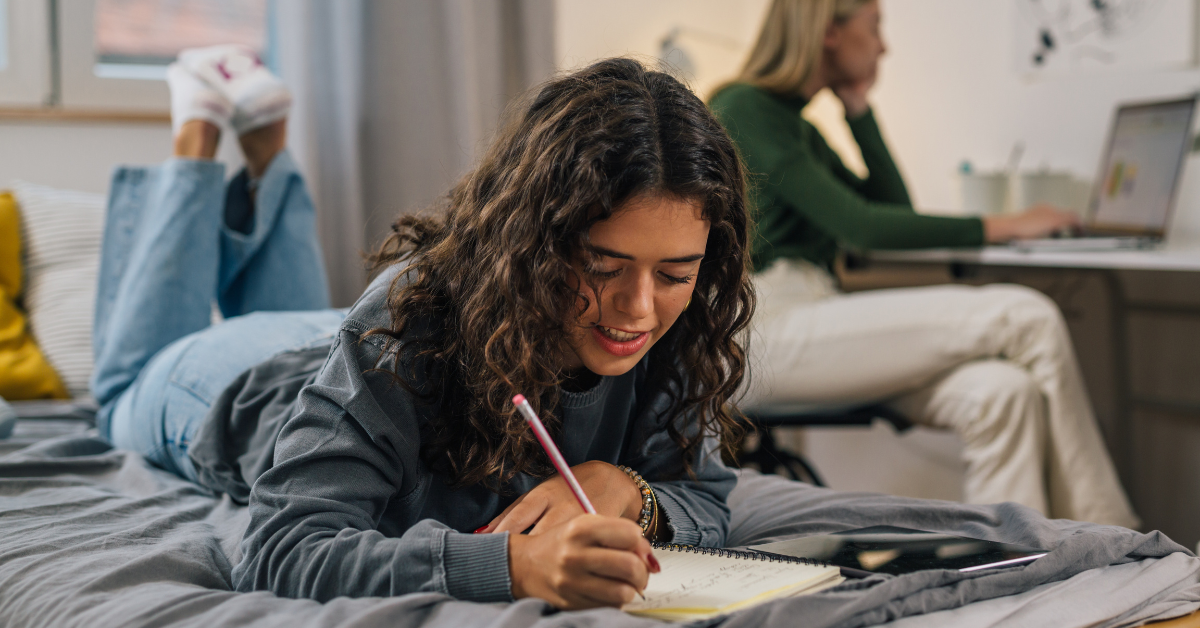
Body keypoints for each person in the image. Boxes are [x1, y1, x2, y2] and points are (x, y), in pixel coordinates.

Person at [90, 48, 754, 610]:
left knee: (342, 331)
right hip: (242, 382)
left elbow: (708, 501)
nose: (639, 309)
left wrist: (627, 490)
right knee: (121, 386)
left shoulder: (673, 330)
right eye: (602, 266)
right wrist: (512, 566)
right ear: (531, 244)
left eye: (673, 274)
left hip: (341, 342)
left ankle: (267, 145)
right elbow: (282, 548)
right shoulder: (407, 326)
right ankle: (197, 138)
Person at [708, 0, 1139, 527]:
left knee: (1004, 392)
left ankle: (1016, 566)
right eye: (875, 27)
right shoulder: (745, 108)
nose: (884, 46)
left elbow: (892, 210)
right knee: (1029, 315)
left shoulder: (799, 129)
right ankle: (1108, 534)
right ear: (829, 32)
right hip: (760, 328)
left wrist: (859, 110)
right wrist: (1007, 223)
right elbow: (862, 225)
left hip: (811, 317)